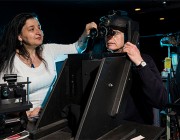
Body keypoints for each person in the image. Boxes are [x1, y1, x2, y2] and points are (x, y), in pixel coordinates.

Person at [0, 12, 97, 119]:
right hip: (27, 120)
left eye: (39, 27)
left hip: (51, 114)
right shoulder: (10, 63)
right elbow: (5, 102)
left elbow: (76, 48)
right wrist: (27, 115)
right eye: (31, 29)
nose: (38, 32)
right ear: (20, 36)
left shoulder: (48, 50)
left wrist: (85, 33)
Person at [86, 10, 168, 125]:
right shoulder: (103, 60)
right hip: (108, 126)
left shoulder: (144, 59)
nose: (109, 37)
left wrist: (140, 63)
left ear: (127, 35)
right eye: (107, 33)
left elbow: (160, 101)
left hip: (136, 126)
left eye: (115, 33)